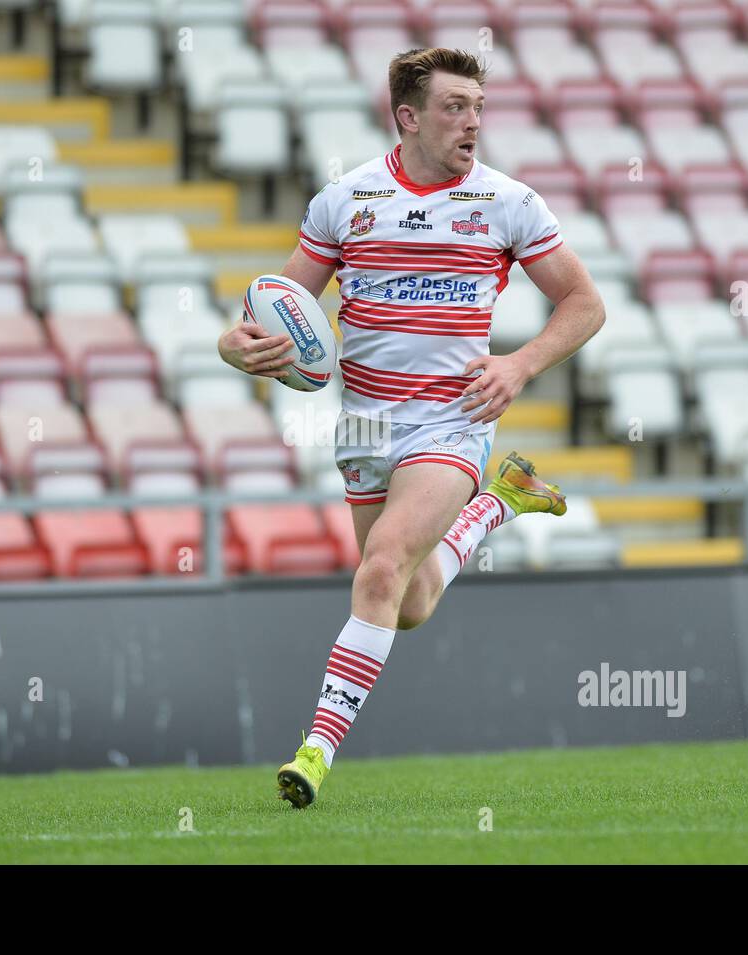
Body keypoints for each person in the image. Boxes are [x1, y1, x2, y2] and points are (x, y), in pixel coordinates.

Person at [217, 47, 606, 808]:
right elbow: (265, 313)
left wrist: (519, 365)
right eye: (455, 107)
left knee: (381, 567)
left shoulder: (509, 202)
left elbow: (585, 304)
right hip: (363, 425)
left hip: (450, 419)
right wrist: (234, 347)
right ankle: (499, 503)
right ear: (408, 116)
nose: (472, 122)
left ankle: (315, 751)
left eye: (479, 107)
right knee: (412, 599)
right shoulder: (345, 200)